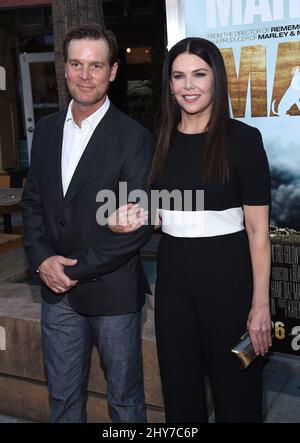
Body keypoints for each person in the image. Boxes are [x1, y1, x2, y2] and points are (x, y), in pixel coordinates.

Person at [108, 37, 272, 423]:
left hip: (230, 284)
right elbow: (162, 212)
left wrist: (261, 305)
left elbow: (258, 232)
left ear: (216, 78)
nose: (189, 86)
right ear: (169, 84)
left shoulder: (243, 140)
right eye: (179, 76)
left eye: (199, 74)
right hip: (175, 286)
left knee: (237, 398)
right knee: (180, 398)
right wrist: (126, 218)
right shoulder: (159, 142)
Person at [21, 23, 153, 423]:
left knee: (125, 400)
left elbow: (137, 225)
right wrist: (43, 260)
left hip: (111, 292)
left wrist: (71, 270)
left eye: (95, 66)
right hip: (55, 292)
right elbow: (32, 204)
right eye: (76, 64)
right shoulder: (44, 131)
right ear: (64, 68)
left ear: (112, 71)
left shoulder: (135, 138)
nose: (84, 75)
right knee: (62, 398)